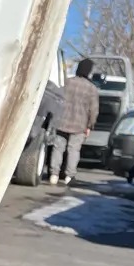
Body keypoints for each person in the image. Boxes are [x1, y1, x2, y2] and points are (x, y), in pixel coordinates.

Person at [49, 58, 100, 186]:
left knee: (58, 148)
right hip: (80, 124)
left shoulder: (67, 82)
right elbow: (94, 110)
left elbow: (57, 98)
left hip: (61, 121)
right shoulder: (92, 88)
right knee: (74, 150)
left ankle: (54, 174)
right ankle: (69, 176)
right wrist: (90, 125)